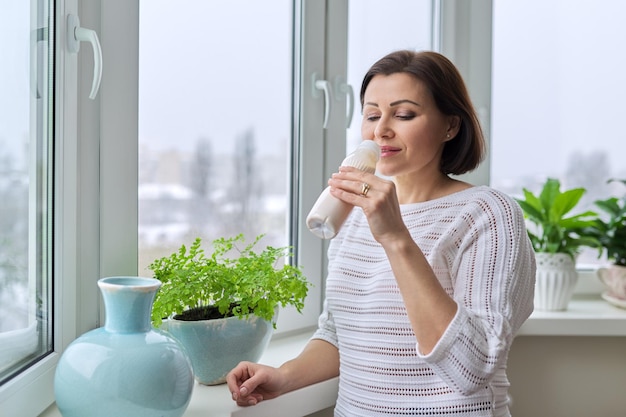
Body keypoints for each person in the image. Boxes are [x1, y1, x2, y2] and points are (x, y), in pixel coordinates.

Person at [226, 49, 536, 416]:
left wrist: (395, 238)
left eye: (404, 114)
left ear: (450, 126)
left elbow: (472, 368)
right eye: (372, 114)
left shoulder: (488, 214)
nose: (381, 129)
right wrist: (283, 375)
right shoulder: (354, 215)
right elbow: (340, 336)